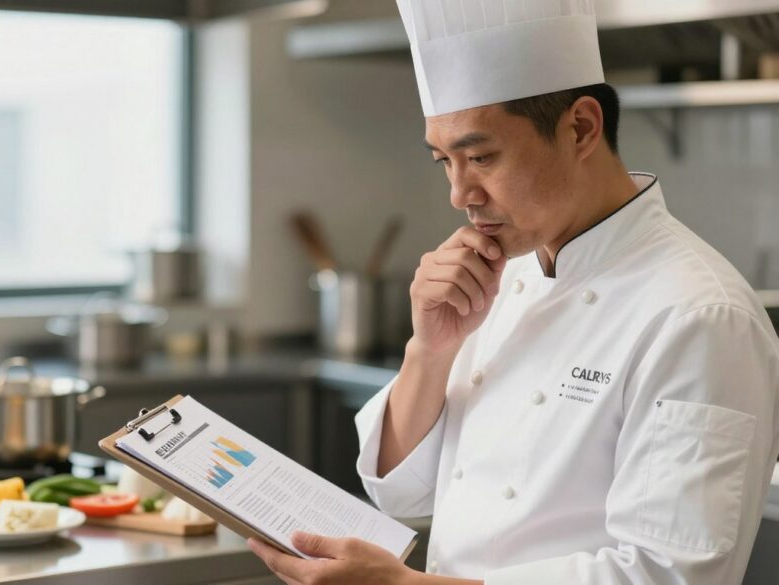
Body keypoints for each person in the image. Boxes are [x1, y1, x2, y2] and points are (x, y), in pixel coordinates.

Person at [248, 1, 779, 583]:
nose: (459, 194)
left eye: (480, 157)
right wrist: (430, 350)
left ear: (581, 128)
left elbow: (667, 576)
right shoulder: (503, 276)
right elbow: (399, 493)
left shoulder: (701, 317)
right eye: (444, 161)